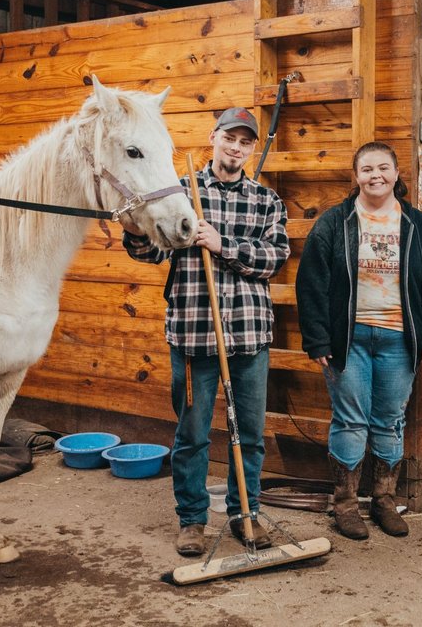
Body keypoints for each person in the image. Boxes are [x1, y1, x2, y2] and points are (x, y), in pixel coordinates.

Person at [122, 107, 290, 555]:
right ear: (213, 137)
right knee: (193, 434)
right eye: (229, 138)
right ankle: (192, 520)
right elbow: (153, 254)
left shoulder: (265, 200)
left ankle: (244, 514)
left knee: (249, 433)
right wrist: (135, 232)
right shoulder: (181, 192)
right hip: (195, 336)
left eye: (245, 141)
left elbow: (275, 258)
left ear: (252, 149)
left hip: (250, 337)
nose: (236, 147)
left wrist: (222, 245)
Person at [296, 141, 422, 540]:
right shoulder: (335, 223)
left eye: (383, 168)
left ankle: (384, 501)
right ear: (356, 176)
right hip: (346, 340)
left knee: (389, 420)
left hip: (399, 340)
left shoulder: (418, 227)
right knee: (351, 420)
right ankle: (346, 505)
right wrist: (317, 338)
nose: (375, 176)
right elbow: (311, 284)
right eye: (367, 169)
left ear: (397, 173)